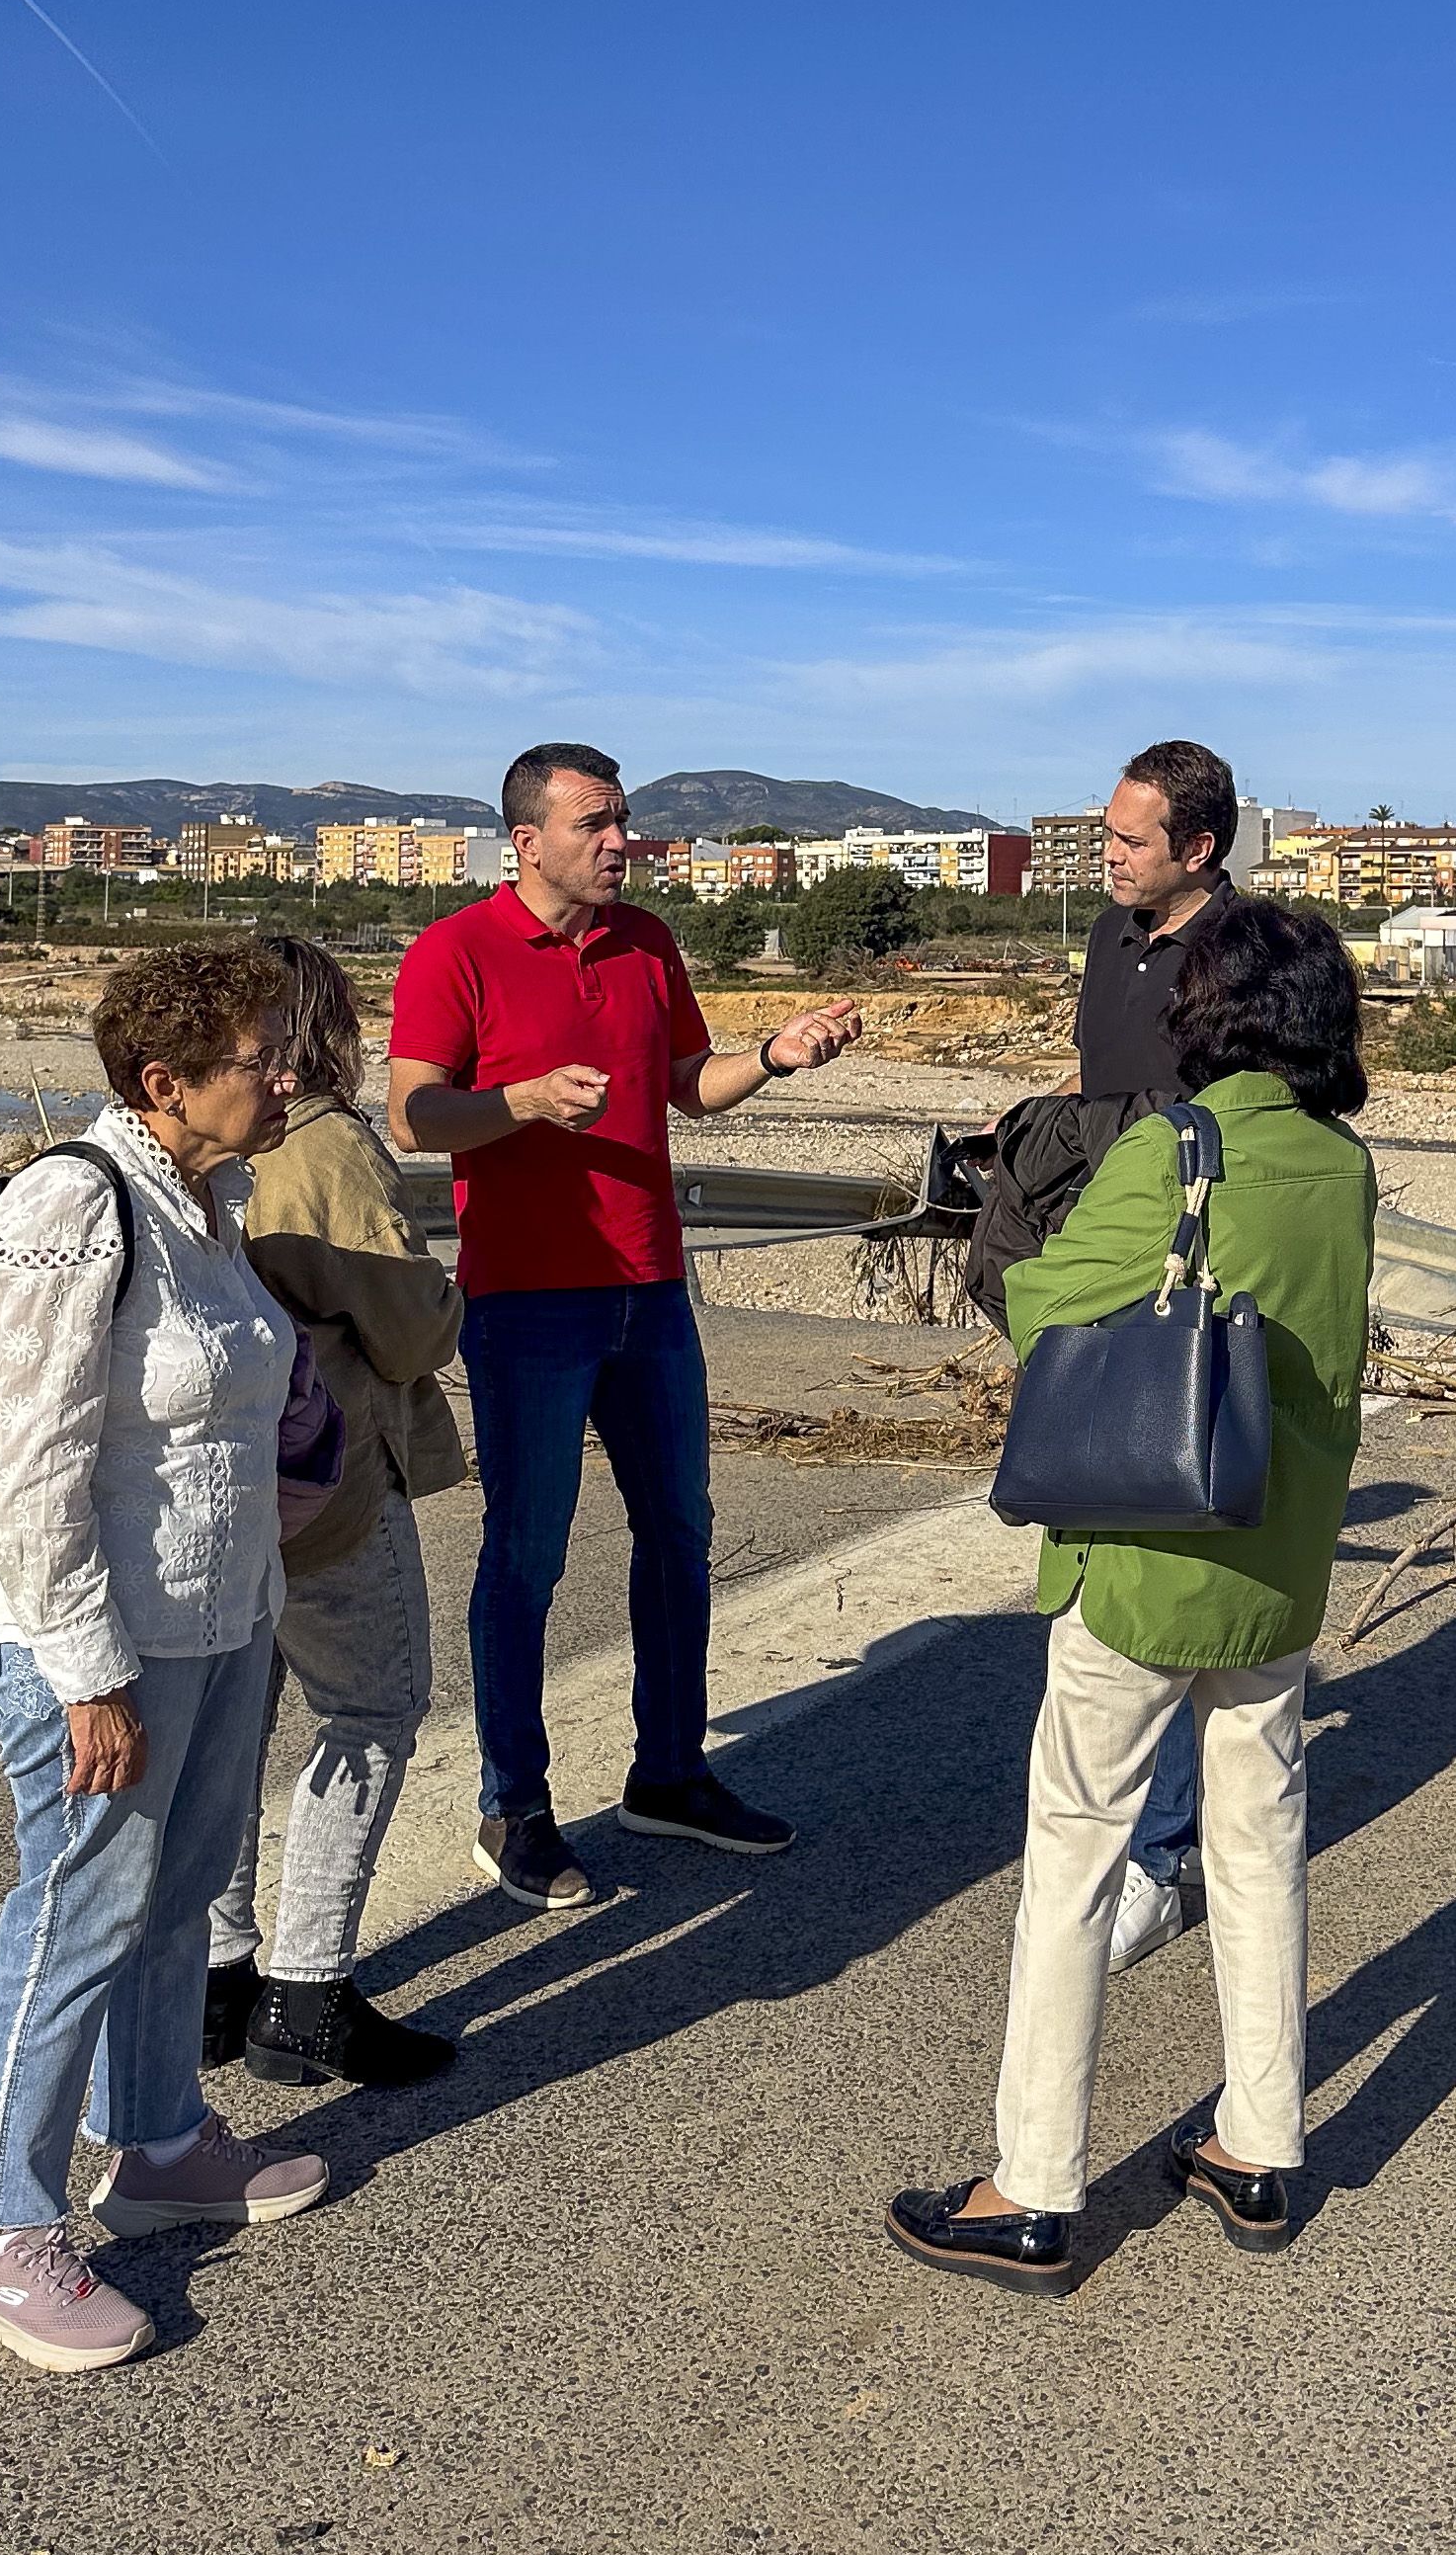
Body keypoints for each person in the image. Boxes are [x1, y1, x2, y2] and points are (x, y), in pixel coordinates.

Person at [888, 898, 1376, 2294]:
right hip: (1278, 1558)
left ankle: (1030, 2183)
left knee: (1074, 1860)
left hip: (1147, 1551)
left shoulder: (1180, 1149)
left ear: (1208, 1014)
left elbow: (1052, 1305)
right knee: (1257, 1847)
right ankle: (1258, 2143)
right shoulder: (1340, 1166)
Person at [0, 941, 330, 2378]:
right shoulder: (70, 1203)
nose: (289, 1078)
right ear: (164, 1082)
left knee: (177, 1896)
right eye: (260, 1060)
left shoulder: (205, 1198)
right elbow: (32, 1463)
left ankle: (159, 2140)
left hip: (216, 1621)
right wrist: (88, 1673)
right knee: (77, 1913)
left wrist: (258, 1592)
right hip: (93, 1638)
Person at [386, 741, 860, 1911]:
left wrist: (776, 1058)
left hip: (649, 1289)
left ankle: (670, 1771)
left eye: (625, 820)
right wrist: (522, 1102)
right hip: (527, 1298)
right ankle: (517, 1807)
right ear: (526, 839)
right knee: (528, 1555)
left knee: (680, 1534)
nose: (619, 842)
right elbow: (410, 1115)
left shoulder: (649, 942)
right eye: (595, 823)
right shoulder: (456, 951)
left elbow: (686, 1083)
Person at [202, 935, 467, 2089]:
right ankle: (308, 1992)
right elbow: (409, 1330)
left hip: (214, 1483)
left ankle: (215, 1976)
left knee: (229, 1727)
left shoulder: (196, 1147)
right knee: (370, 1709)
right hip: (327, 1478)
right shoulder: (323, 1149)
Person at [1078, 740, 1238, 1967]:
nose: (1109, 856)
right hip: (1107, 1275)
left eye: (1132, 842)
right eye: (1109, 834)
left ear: (1199, 849)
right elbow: (1111, 1099)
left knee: (1171, 1563)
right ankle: (1132, 1814)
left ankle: (1164, 1851)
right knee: (1108, 1564)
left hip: (1198, 1295)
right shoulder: (1110, 934)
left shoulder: (1249, 958)